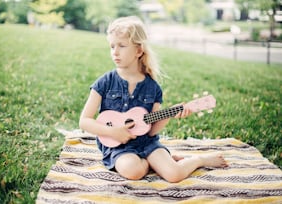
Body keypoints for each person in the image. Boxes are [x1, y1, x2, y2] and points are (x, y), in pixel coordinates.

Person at [79, 16, 228, 183]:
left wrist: (170, 114)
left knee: (175, 175)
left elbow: (151, 130)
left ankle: (198, 160)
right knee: (132, 170)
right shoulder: (105, 82)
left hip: (147, 144)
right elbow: (84, 121)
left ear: (139, 50)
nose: (115, 51)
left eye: (121, 45)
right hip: (118, 147)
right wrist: (113, 132)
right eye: (112, 46)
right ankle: (156, 163)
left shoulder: (153, 87)